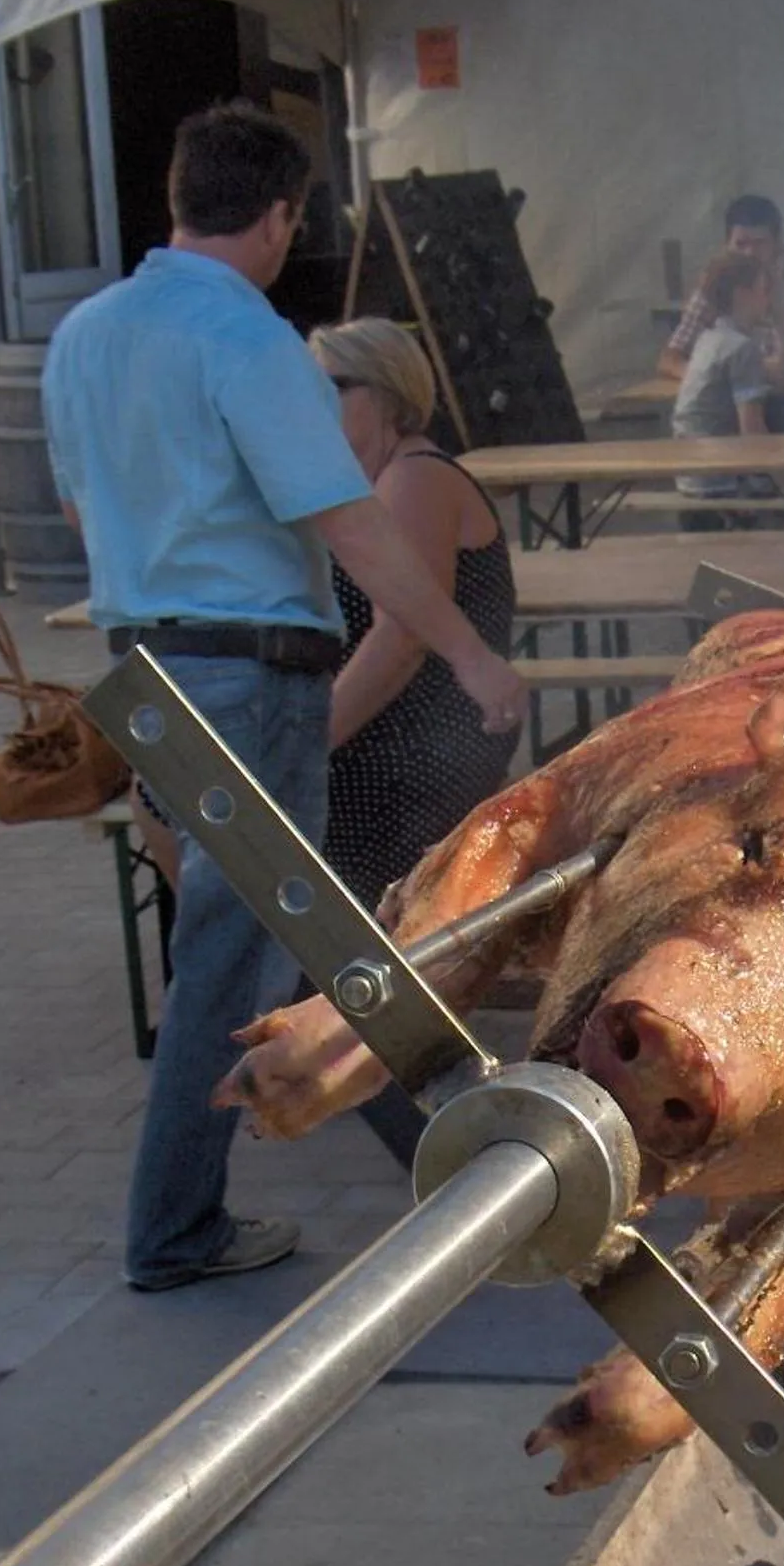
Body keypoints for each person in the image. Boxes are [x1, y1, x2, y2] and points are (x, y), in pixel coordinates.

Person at [42, 100, 526, 1293]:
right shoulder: (249, 338)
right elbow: (349, 522)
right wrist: (469, 653)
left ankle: (448, 1159)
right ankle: (180, 1226)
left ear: (173, 194)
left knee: (278, 942)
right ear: (276, 218)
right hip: (247, 673)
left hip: (144, 669)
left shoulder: (84, 335)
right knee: (260, 949)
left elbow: (73, 510)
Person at [307, 317, 519, 1170]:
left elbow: (400, 642)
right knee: (177, 806)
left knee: (248, 839)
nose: (316, 409)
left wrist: (309, 740)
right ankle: (326, 1034)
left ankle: (393, 1081)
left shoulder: (412, 481)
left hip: (421, 752)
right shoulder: (378, 481)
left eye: (334, 390)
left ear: (386, 396)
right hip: (410, 741)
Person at [657, 195, 784, 434]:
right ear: (727, 244)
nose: (749, 253)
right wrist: (713, 378)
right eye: (740, 244)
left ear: (777, 242)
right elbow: (669, 358)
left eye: (759, 243)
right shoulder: (718, 282)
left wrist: (741, 370)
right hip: (731, 409)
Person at [669, 251, 777, 507]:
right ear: (742, 294)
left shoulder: (708, 338)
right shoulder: (742, 347)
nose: (768, 299)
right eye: (763, 290)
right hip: (722, 481)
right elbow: (752, 432)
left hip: (690, 475)